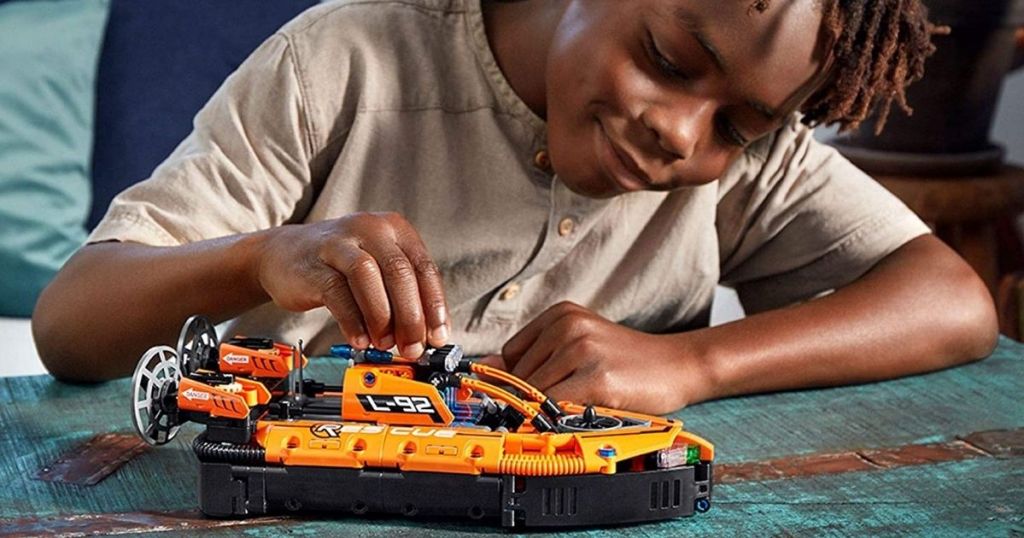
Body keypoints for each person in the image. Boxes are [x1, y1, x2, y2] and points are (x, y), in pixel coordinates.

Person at [33, 0, 996, 414]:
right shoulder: (342, 63)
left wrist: (690, 364)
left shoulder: (736, 168)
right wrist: (257, 259)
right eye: (667, 60)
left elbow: (955, 304)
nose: (682, 134)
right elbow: (70, 325)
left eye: (738, 123)